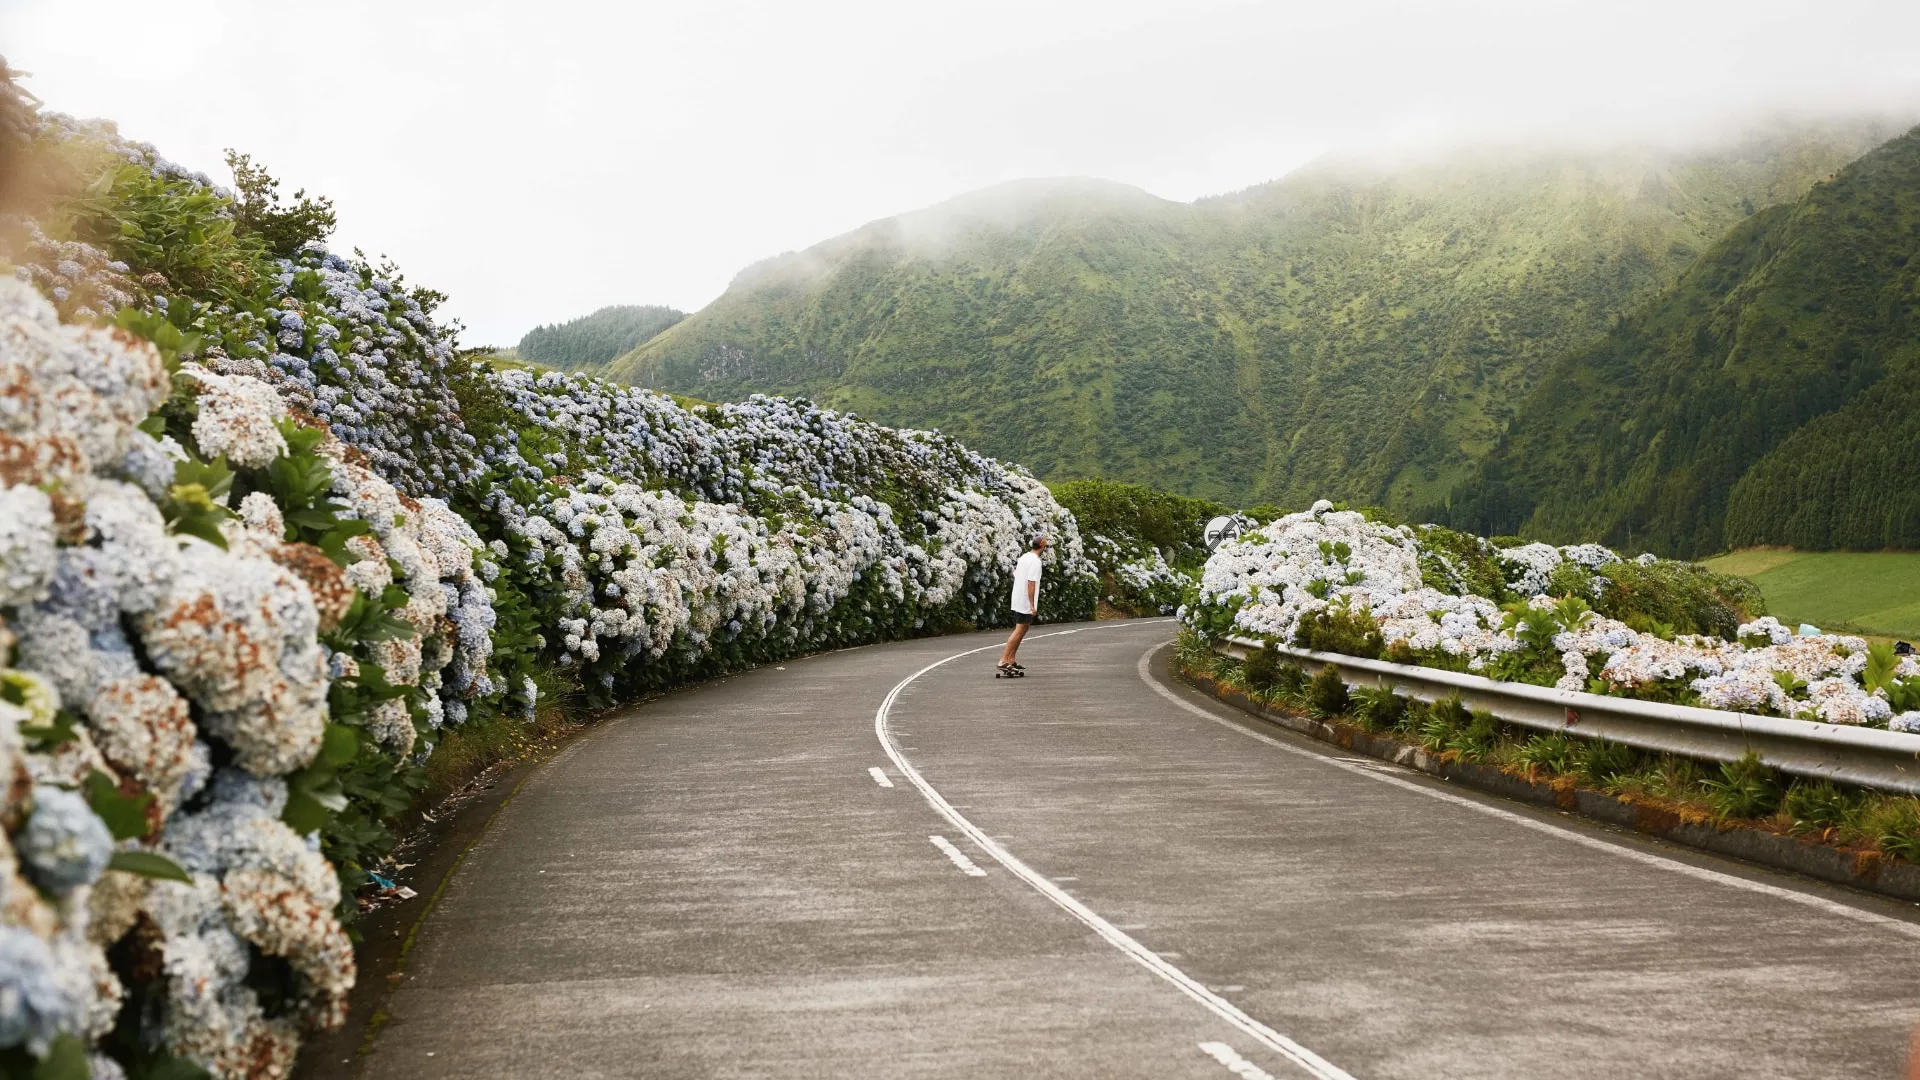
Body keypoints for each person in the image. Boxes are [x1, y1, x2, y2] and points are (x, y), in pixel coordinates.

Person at [998, 535, 1047, 674]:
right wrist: (1032, 604)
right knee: (1019, 629)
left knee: (1024, 628)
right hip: (1025, 601)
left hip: (1018, 597)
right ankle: (1003, 660)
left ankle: (1011, 659)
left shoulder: (1024, 557)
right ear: (1042, 547)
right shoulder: (1036, 562)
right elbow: (1031, 583)